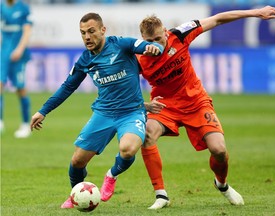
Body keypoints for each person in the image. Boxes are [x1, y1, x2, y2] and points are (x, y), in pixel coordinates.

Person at [138, 5, 275, 209]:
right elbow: (122, 84)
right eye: (148, 42)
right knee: (147, 134)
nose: (155, 46)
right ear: (142, 40)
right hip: (164, 105)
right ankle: (161, 195)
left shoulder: (179, 35)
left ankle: (221, 184)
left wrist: (255, 12)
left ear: (166, 33)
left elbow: (217, 19)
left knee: (219, 150)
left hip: (196, 101)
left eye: (158, 39)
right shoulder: (138, 58)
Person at [29, 12, 163, 208]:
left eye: (91, 31)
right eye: (83, 33)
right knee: (77, 162)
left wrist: (154, 47)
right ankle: (75, 195)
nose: (87, 37)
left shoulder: (121, 44)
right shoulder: (85, 60)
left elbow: (151, 46)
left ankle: (112, 174)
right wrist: (43, 111)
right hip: (104, 113)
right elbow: (67, 87)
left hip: (131, 112)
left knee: (128, 149)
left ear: (103, 30)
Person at [0, 0, 33, 138]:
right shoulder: (1, 7)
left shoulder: (23, 8)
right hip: (4, 53)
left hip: (19, 55)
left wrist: (20, 49)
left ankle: (26, 124)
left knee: (20, 88)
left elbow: (27, 31)